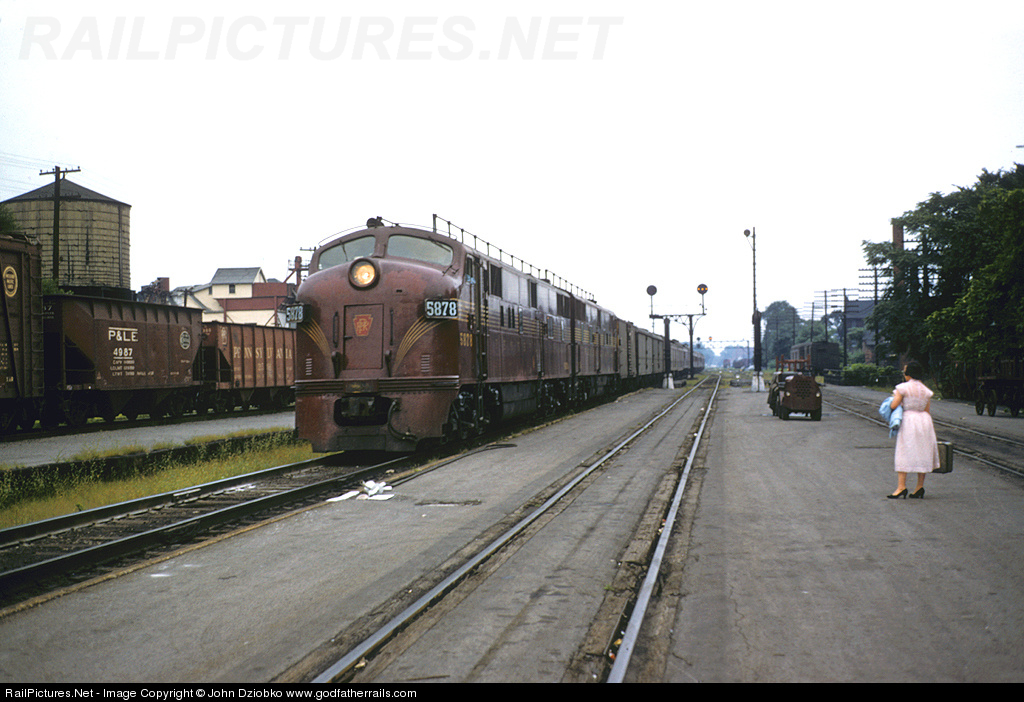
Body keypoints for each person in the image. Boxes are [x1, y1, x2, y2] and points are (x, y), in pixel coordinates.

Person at [887, 361, 940, 499]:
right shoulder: (925, 390)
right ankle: (919, 487)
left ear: (908, 374)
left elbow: (894, 405)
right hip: (924, 421)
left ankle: (901, 487)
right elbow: (927, 409)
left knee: (904, 451)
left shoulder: (903, 388)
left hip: (909, 420)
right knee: (923, 452)